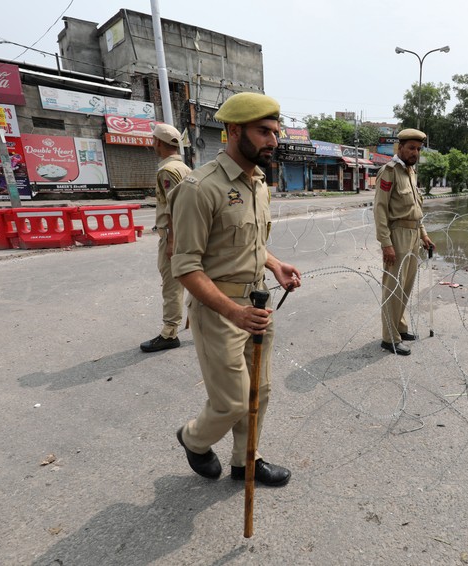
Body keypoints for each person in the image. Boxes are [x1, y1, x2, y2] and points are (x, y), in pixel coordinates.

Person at [170, 92, 301, 485]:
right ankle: (193, 439)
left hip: (257, 303)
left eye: (275, 133)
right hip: (220, 311)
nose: (273, 141)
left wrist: (275, 266)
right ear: (233, 130)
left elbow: (251, 243)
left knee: (258, 392)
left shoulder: (258, 183)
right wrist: (234, 311)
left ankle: (247, 461)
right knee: (231, 401)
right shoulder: (199, 188)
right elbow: (186, 267)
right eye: (264, 132)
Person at [373, 128, 435, 356]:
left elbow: (416, 210)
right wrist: (385, 243)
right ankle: (389, 338)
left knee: (405, 286)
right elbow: (380, 209)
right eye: (411, 148)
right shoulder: (388, 172)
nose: (415, 152)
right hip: (397, 236)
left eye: (418, 149)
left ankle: (399, 328)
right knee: (393, 288)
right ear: (399, 147)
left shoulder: (411, 172)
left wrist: (424, 235)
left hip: (413, 236)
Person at [140, 124, 192, 353]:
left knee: (171, 285)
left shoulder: (167, 170)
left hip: (175, 236)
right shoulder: (184, 167)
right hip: (187, 234)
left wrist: (171, 242)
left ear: (158, 143)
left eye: (153, 140)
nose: (153, 144)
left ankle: (169, 333)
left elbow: (174, 209)